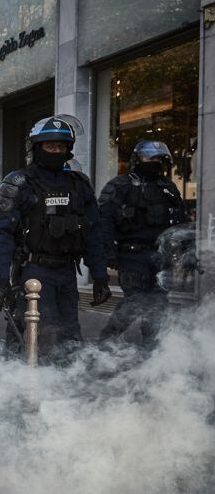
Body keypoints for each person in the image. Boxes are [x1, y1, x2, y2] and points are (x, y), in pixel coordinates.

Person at [0, 115, 109, 353]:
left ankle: (63, 384)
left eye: (61, 146)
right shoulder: (18, 183)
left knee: (71, 335)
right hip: (34, 271)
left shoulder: (79, 185)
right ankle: (27, 382)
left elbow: (94, 233)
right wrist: (0, 278)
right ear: (37, 147)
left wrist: (100, 276)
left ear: (68, 150)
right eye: (50, 146)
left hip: (66, 272)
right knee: (44, 333)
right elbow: (1, 234)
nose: (56, 151)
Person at [95, 140, 187, 344]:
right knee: (134, 302)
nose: (155, 162)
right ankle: (106, 343)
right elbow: (104, 221)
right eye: (150, 158)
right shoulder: (120, 185)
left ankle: (150, 351)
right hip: (132, 256)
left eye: (158, 158)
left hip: (162, 256)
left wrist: (188, 253)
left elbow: (181, 222)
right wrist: (109, 252)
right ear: (137, 160)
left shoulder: (168, 188)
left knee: (159, 306)